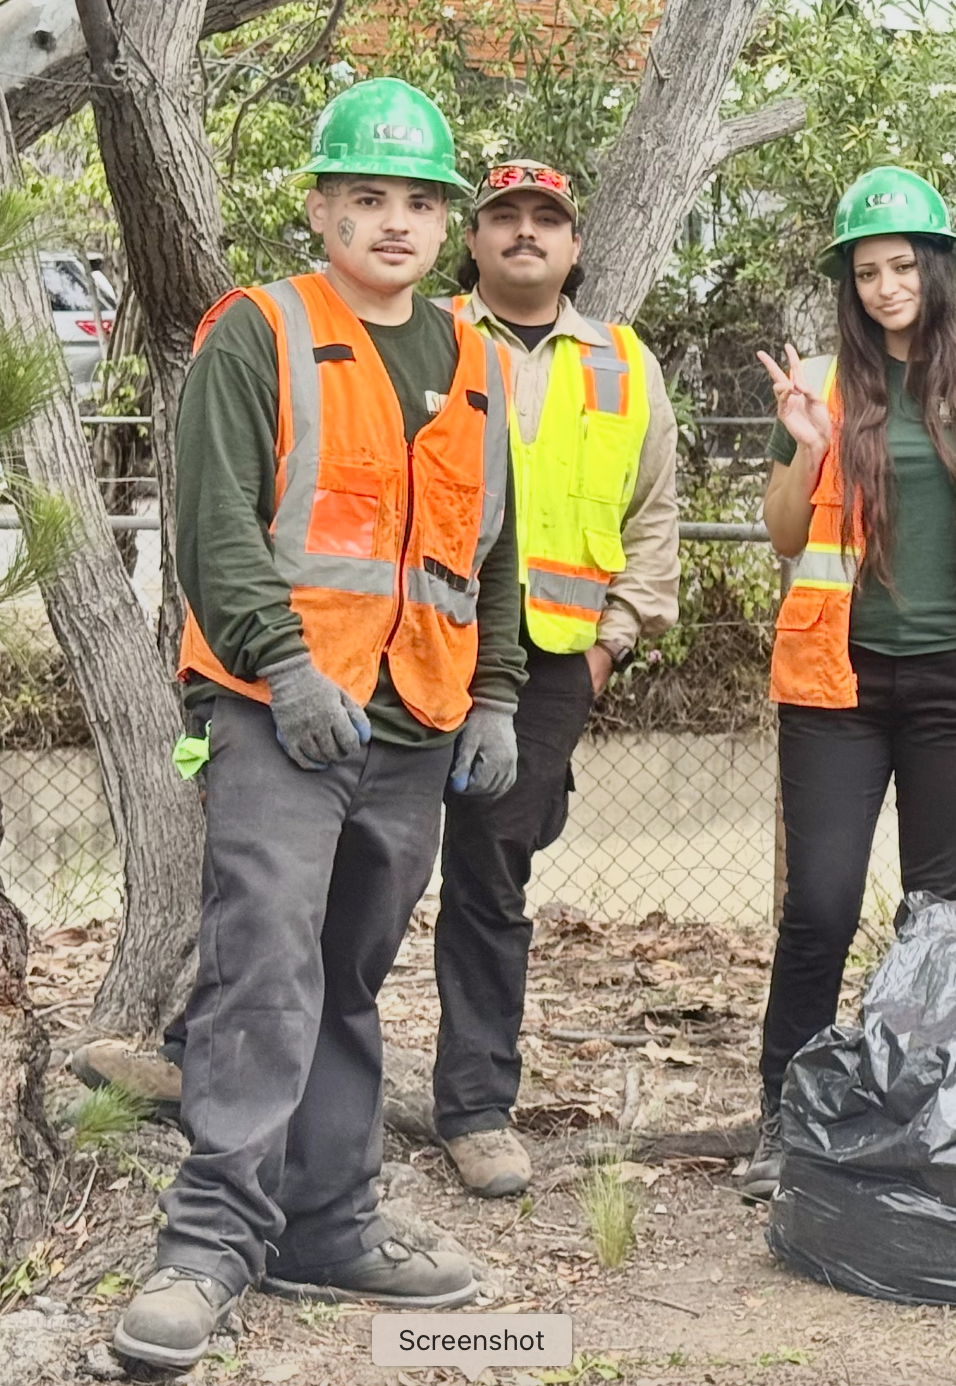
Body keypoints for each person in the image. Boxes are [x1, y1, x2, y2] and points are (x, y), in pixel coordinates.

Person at [114, 79, 523, 1370]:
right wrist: (284, 665)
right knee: (266, 966)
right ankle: (208, 1241)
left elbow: (489, 548)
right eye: (366, 198)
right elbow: (216, 523)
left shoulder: (474, 360)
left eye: (415, 201)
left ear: (443, 221)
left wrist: (499, 689)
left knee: (347, 974)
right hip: (277, 712)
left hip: (414, 717)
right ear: (321, 208)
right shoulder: (261, 330)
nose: (392, 223)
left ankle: (330, 1221)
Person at [747, 166, 956, 1196]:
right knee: (822, 905)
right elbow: (788, 536)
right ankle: (782, 1119)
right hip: (838, 683)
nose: (884, 286)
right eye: (865, 271)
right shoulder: (825, 389)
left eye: (901, 264)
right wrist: (802, 450)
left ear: (938, 267)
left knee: (939, 913)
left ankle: (927, 1113)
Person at [429, 160, 681, 1197]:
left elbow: (653, 517)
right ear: (475, 238)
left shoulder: (624, 362)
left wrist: (607, 647)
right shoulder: (427, 337)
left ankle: (476, 1107)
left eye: (546, 220)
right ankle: (282, 1079)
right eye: (504, 217)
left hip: (550, 659)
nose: (525, 233)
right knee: (357, 859)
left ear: (576, 245)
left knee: (493, 871)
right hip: (422, 641)